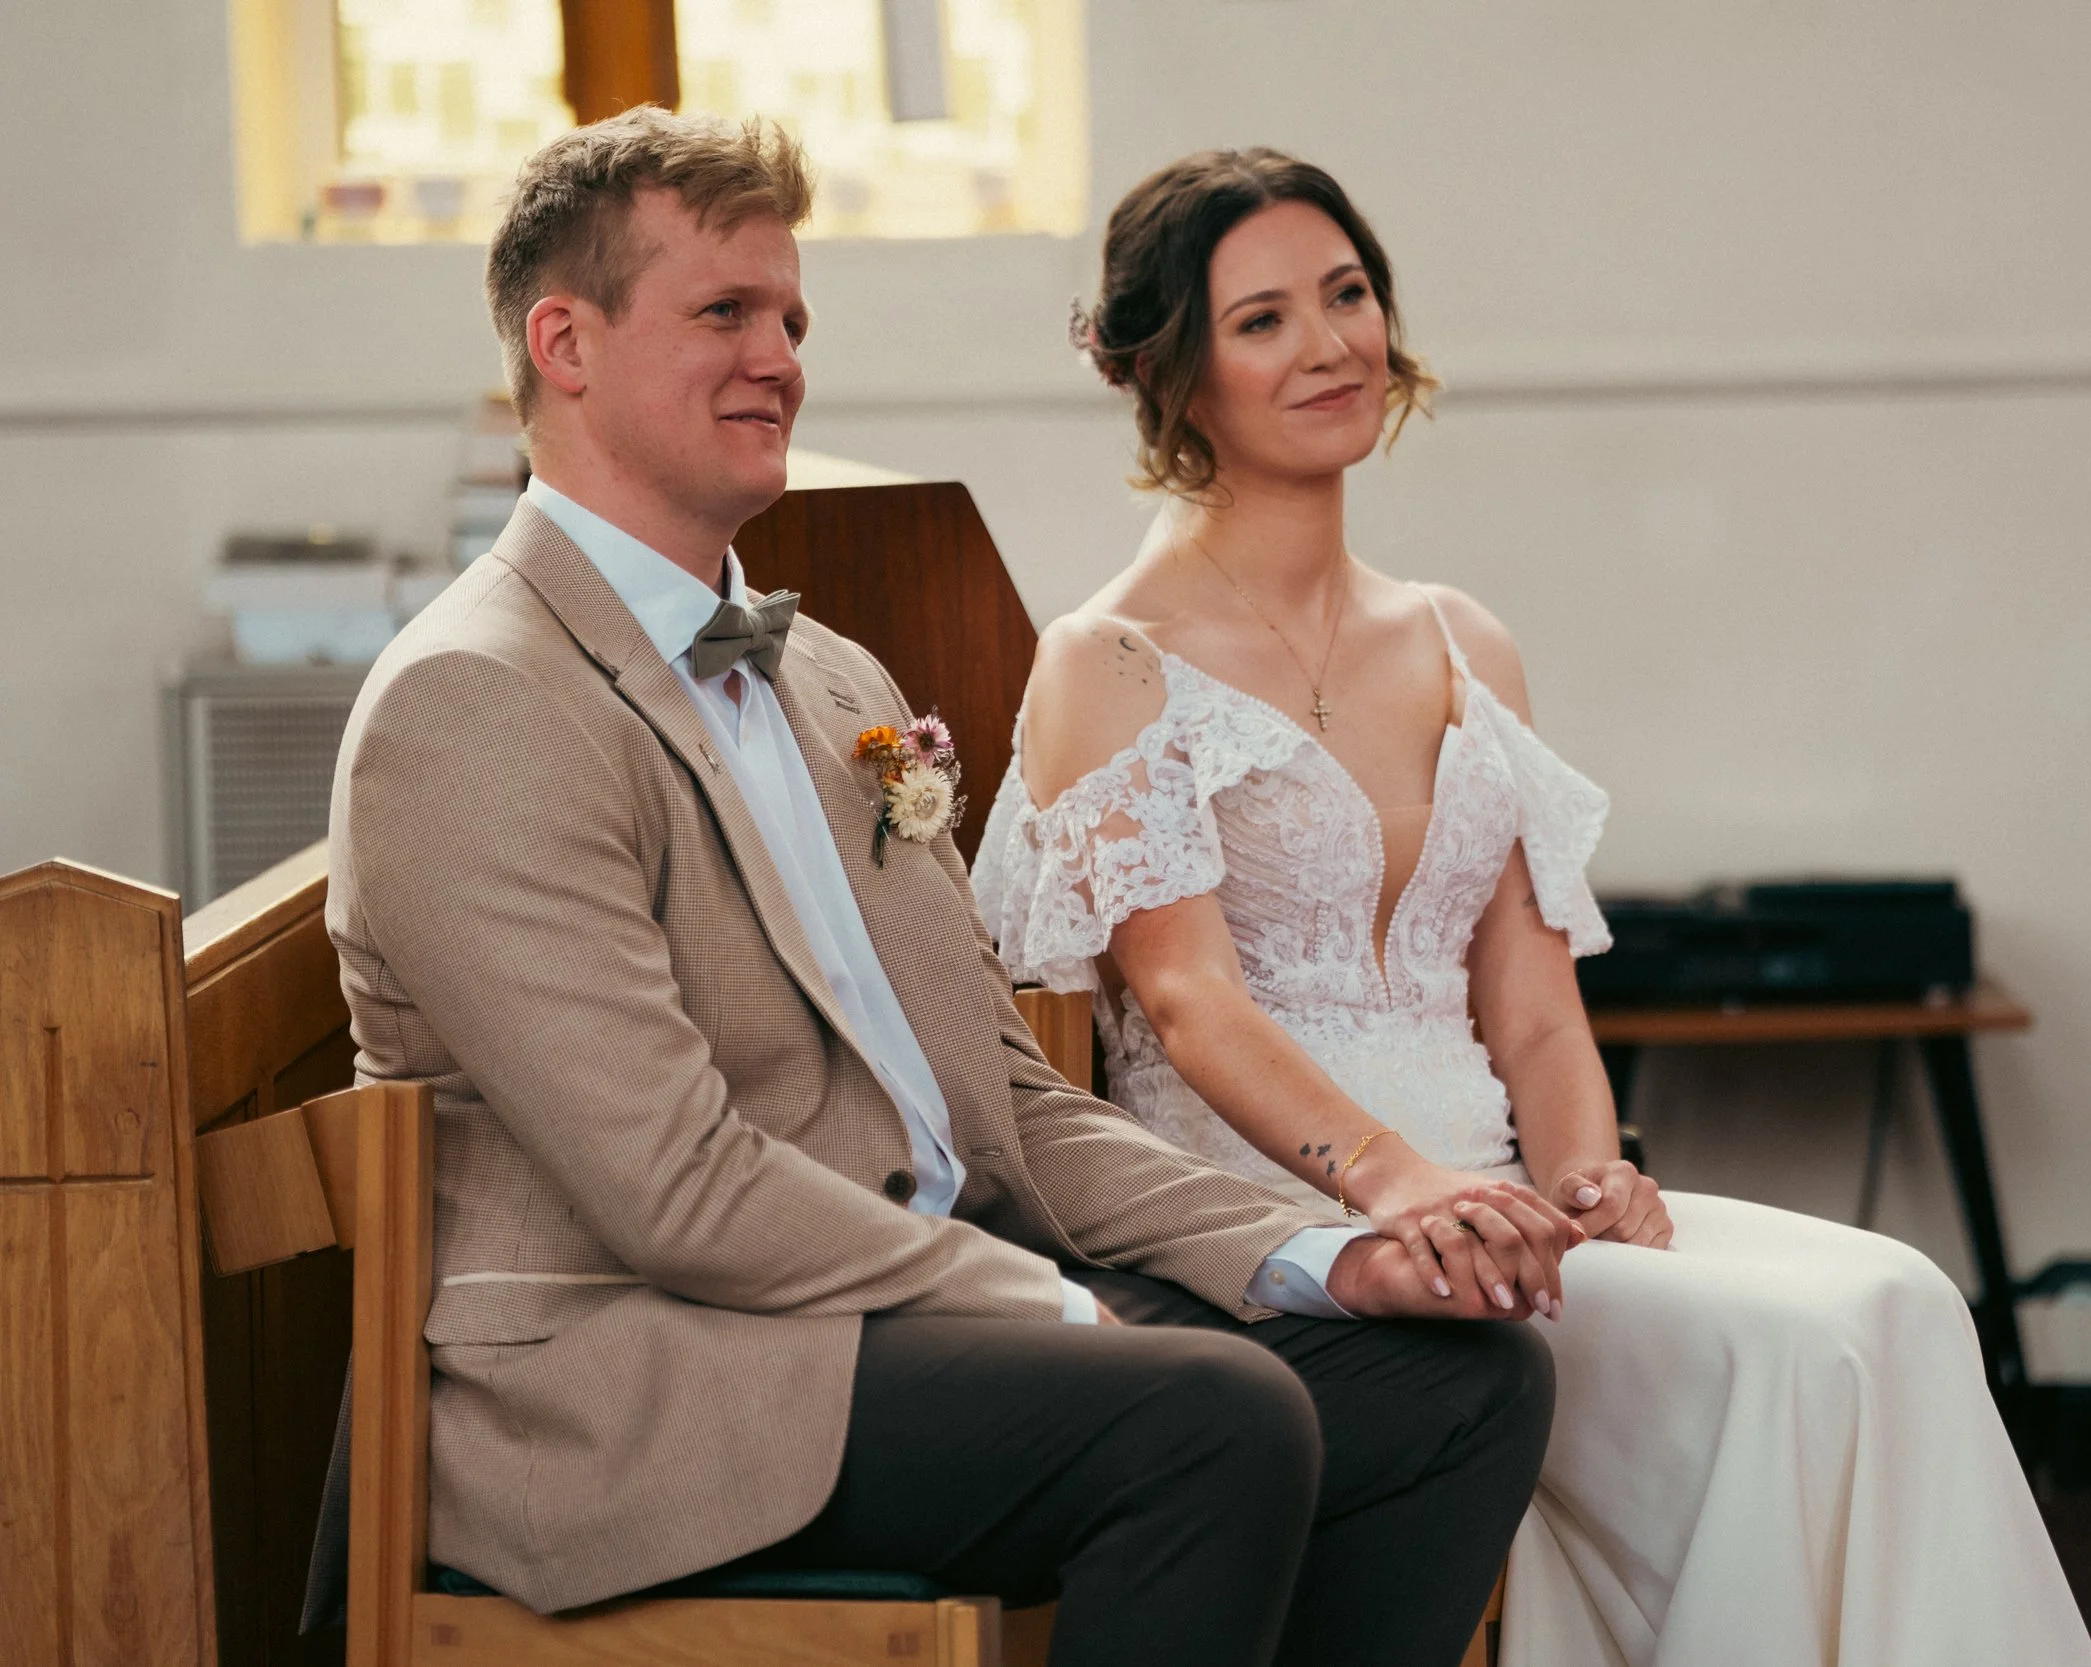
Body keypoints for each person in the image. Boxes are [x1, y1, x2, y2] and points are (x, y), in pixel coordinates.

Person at [322, 109, 1567, 1667]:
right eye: (724, 313)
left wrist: (1318, 1248)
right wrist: (1040, 1306)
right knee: (1210, 1419)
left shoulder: (825, 670)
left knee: (1462, 1382)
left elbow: (1001, 1096)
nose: (778, 355)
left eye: (790, 318)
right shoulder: (476, 701)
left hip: (892, 1309)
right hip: (649, 1381)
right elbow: (673, 1186)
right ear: (562, 343)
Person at [975, 147, 2091, 1667]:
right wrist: (1400, 1191)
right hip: (1298, 1234)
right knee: (1812, 1357)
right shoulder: (1106, 660)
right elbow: (1187, 1002)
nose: (1329, 345)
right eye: (1261, 320)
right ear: (1167, 374)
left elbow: (1529, 999)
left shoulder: (1462, 641)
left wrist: (1588, 1179)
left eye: (1349, 293)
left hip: (1514, 1219)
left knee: (1902, 1300)